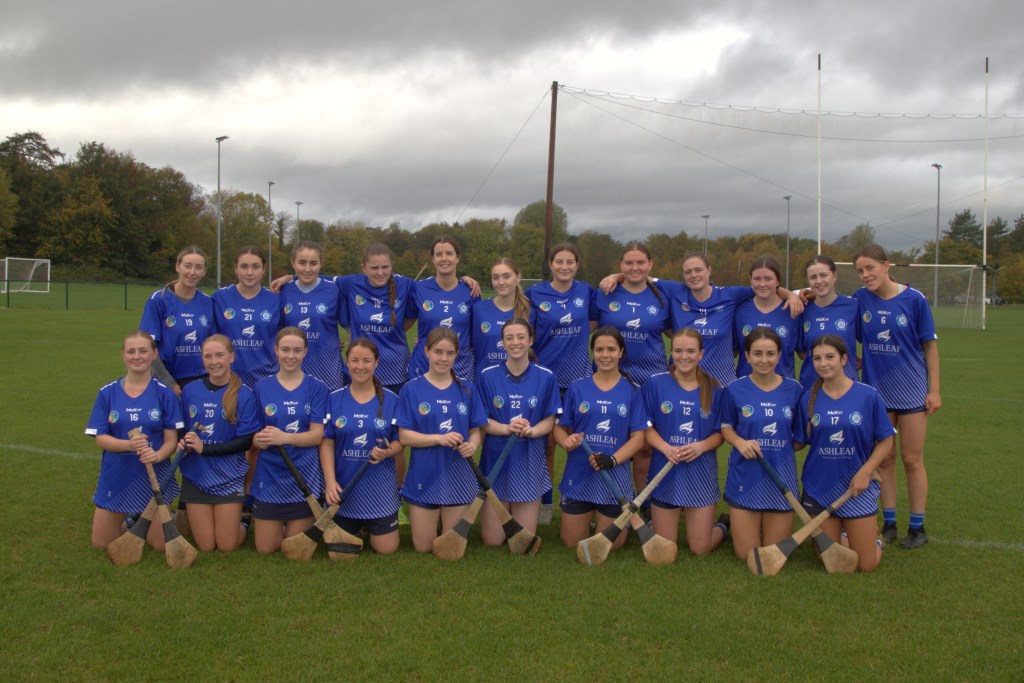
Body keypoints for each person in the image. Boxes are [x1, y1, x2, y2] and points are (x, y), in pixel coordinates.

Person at [600, 252, 804, 387]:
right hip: (681, 381)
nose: (693, 275)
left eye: (698, 270)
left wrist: (791, 295)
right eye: (688, 272)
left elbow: (763, 288)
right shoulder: (676, 290)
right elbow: (639, 274)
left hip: (721, 383)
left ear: (709, 270)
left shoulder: (730, 295)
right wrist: (615, 276)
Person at [853, 244, 940, 549]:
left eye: (870, 268)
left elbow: (930, 347)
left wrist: (934, 389)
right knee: (885, 459)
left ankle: (918, 527)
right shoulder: (861, 299)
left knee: (912, 459)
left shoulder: (914, 299)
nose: (865, 275)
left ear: (886, 265)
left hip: (912, 392)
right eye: (860, 271)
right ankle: (889, 523)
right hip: (877, 393)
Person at [795, 335, 896, 572]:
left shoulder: (867, 395)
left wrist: (866, 472)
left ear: (843, 359)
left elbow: (886, 440)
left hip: (856, 487)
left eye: (830, 357)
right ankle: (845, 534)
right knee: (832, 563)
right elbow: (798, 443)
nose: (823, 363)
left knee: (866, 565)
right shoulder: (808, 397)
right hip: (820, 487)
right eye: (817, 358)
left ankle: (874, 539)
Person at [552, 326, 648, 550]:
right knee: (572, 543)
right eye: (599, 350)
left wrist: (613, 459)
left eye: (611, 349)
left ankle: (619, 520)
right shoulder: (577, 387)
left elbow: (638, 438)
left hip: (614, 476)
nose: (605, 355)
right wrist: (566, 441)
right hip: (580, 474)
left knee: (610, 546)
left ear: (621, 352)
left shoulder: (633, 390)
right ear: (593, 352)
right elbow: (559, 428)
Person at [86, 331, 184, 549]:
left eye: (143, 351)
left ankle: (145, 517)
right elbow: (101, 439)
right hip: (117, 475)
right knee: (101, 543)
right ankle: (134, 521)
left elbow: (171, 441)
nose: (137, 356)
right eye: (131, 351)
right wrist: (128, 445)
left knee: (159, 545)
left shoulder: (165, 394)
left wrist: (156, 455)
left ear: (154, 354)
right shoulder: (107, 393)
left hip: (154, 477)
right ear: (123, 355)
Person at [395, 328, 488, 553]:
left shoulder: (467, 388)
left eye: (449, 353)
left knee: (450, 548)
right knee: (423, 547)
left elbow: (476, 430)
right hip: (424, 476)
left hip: (458, 475)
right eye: (438, 352)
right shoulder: (411, 389)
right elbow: (404, 436)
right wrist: (438, 438)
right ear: (426, 351)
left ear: (456, 355)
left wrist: (472, 445)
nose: (443, 358)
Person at [591, 243, 671, 504]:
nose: (634, 267)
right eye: (628, 263)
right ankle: (607, 500)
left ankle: (643, 502)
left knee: (645, 446)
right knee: (610, 440)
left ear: (650, 265)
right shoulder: (606, 292)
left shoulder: (663, 294)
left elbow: (678, 332)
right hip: (613, 379)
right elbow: (585, 328)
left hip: (652, 379)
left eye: (640, 263)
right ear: (621, 265)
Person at [527, 243, 598, 524]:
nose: (564, 266)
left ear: (577, 265)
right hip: (547, 380)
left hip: (579, 380)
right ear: (551, 264)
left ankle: (586, 500)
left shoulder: (586, 291)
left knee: (582, 442)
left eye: (570, 262)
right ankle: (545, 502)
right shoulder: (535, 294)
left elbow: (593, 322)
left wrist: (616, 276)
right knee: (546, 445)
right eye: (559, 261)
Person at [642, 329, 728, 555]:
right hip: (665, 472)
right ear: (671, 352)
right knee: (665, 548)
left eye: (690, 351)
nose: (684, 357)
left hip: (700, 473)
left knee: (700, 548)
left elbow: (720, 434)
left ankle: (723, 525)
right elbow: (646, 428)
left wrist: (701, 446)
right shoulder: (655, 384)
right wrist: (665, 448)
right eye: (678, 351)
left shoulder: (715, 388)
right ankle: (653, 522)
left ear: (701, 354)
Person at [719, 328, 803, 560]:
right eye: (757, 354)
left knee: (772, 556)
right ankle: (727, 522)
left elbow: (800, 438)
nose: (764, 360)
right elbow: (725, 426)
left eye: (770, 354)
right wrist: (739, 442)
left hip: (780, 478)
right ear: (747, 356)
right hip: (745, 477)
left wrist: (779, 446)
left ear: (779, 356)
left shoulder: (795, 390)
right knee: (747, 555)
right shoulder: (734, 389)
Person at [475, 318, 561, 544]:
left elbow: (550, 419)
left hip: (528, 463)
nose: (515, 342)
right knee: (493, 541)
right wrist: (505, 428)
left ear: (530, 340)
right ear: (502, 342)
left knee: (523, 540)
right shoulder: (487, 376)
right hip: (496, 462)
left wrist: (532, 431)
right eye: (509, 338)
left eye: (521, 337)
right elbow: (482, 420)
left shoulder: (546, 376)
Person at [249, 327, 329, 554]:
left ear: (305, 352)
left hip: (303, 476)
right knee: (266, 549)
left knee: (294, 549)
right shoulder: (261, 387)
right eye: (285, 350)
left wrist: (284, 437)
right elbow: (253, 436)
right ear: (276, 350)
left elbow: (317, 435)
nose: (290, 356)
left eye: (296, 350)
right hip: (270, 476)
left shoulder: (317, 388)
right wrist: (258, 440)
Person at [320, 339, 404, 555]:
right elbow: (327, 442)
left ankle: (371, 523)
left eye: (367, 361)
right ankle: (357, 523)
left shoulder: (391, 400)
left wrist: (388, 452)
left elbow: (400, 442)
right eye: (355, 360)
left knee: (387, 549)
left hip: (379, 489)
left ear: (376, 363)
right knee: (341, 550)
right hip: (344, 489)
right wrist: (330, 482)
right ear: (347, 362)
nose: (360, 366)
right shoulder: (334, 398)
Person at [178, 335, 261, 552]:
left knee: (226, 546)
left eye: (220, 355)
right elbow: (181, 429)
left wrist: (204, 448)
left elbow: (245, 442)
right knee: (206, 546)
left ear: (231, 357)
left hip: (229, 475)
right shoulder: (190, 391)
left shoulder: (244, 394)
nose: (214, 361)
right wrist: (182, 442)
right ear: (202, 360)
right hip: (196, 474)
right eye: (208, 356)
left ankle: (244, 520)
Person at [139, 246, 214, 397]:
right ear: (178, 266)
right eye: (188, 266)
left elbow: (214, 344)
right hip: (168, 382)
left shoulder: (207, 302)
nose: (192, 272)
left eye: (198, 267)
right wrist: (167, 381)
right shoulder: (159, 300)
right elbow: (147, 346)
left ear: (204, 271)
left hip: (202, 382)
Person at [407, 235, 480, 381]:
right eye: (439, 254)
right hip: (424, 367)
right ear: (433, 259)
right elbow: (404, 324)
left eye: (449, 253)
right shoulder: (419, 288)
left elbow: (475, 335)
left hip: (460, 369)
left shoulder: (471, 291)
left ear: (457, 257)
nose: (444, 258)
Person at [279, 241, 347, 391]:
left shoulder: (334, 290)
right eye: (302, 263)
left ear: (321, 263)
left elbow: (351, 330)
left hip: (329, 375)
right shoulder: (284, 291)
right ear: (293, 263)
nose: (307, 269)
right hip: (292, 373)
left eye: (313, 263)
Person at [213, 246, 281, 388]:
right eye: (244, 266)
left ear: (263, 269)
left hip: (266, 379)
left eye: (255, 267)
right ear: (236, 268)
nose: (250, 272)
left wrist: (291, 277)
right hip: (229, 379)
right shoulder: (220, 298)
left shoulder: (276, 300)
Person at [796, 255, 859, 389]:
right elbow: (802, 353)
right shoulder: (802, 308)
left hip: (847, 386)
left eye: (823, 275)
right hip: (811, 386)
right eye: (813, 277)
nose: (819, 281)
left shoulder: (853, 306)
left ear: (834, 276)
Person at [734, 256, 800, 380]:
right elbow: (733, 352)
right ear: (750, 280)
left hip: (784, 387)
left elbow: (803, 354)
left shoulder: (793, 309)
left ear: (778, 281)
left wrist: (792, 295)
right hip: (746, 386)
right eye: (757, 279)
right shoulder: (739, 311)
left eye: (768, 279)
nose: (762, 284)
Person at [471, 258, 532, 382]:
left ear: (518, 277)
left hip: (519, 383)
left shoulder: (529, 310)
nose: (501, 282)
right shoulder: (478, 309)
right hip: (485, 383)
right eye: (495, 277)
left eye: (506, 276)